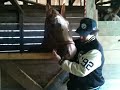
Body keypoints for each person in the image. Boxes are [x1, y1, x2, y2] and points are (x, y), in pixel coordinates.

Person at [52, 18, 105, 90]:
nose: (81, 37)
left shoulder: (95, 51)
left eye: (84, 34)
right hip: (76, 85)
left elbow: (81, 70)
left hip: (90, 87)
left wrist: (61, 61)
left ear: (93, 33)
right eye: (80, 33)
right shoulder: (79, 42)